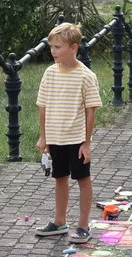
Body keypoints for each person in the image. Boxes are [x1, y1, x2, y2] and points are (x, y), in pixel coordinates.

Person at [35, 22, 103, 243]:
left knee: (82, 179)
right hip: (56, 138)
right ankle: (59, 221)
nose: (53, 51)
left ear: (73, 47)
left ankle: (83, 225)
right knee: (60, 178)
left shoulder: (86, 76)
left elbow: (90, 111)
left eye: (57, 47)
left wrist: (86, 142)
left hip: (76, 139)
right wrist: (44, 136)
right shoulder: (49, 73)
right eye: (51, 47)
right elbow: (42, 106)